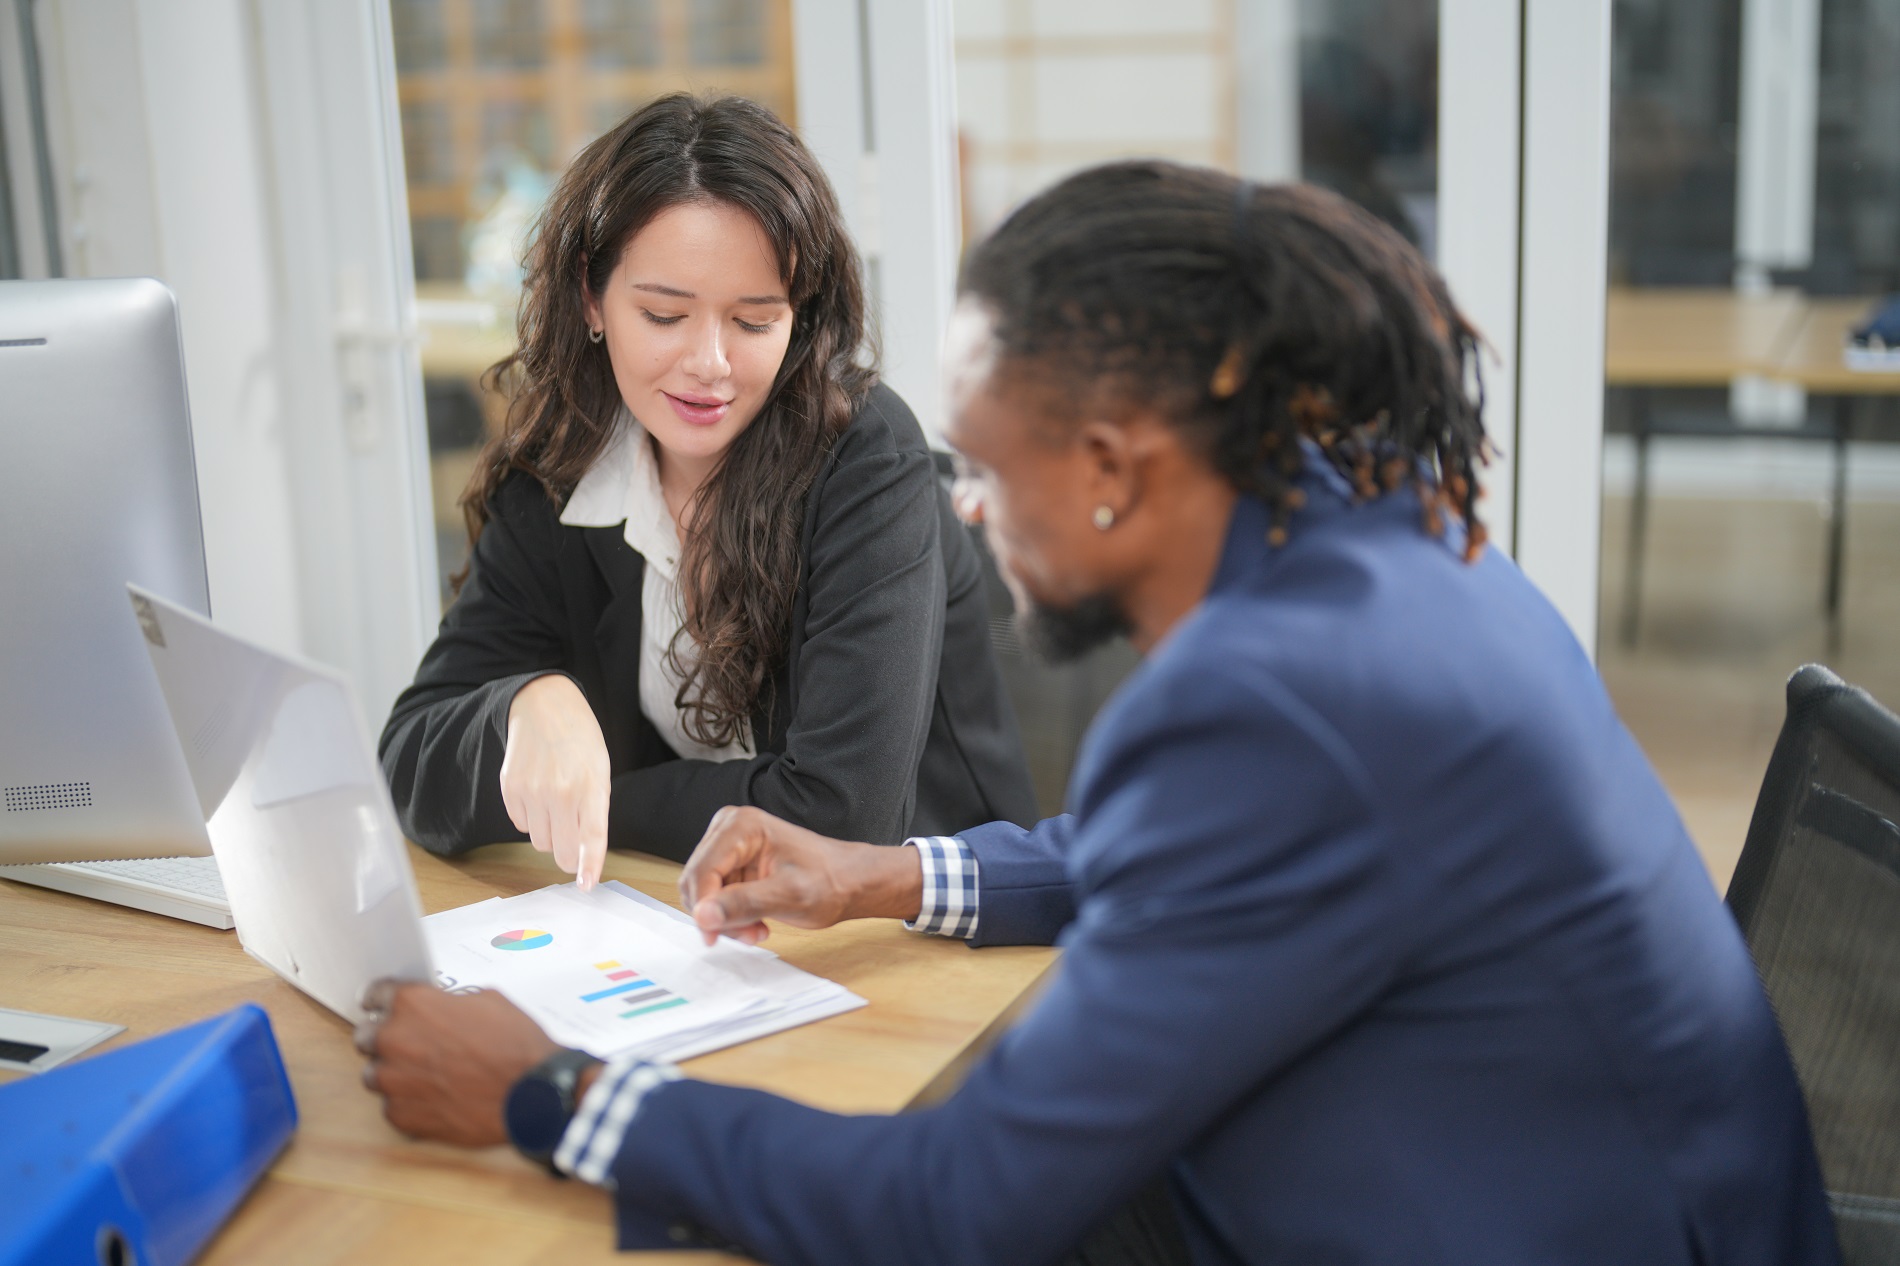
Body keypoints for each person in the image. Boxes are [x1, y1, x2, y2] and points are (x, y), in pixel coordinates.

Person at [358, 163, 1839, 1265]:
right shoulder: (1389, 530)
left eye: (993, 474)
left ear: (1119, 462)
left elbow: (956, 1203)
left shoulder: (1274, 697)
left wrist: (548, 1092)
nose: (974, 518)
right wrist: (895, 873)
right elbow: (1236, 842)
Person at [379, 94, 1036, 884]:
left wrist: (599, 796)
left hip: (924, 938)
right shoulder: (562, 473)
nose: (710, 364)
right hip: (688, 912)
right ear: (592, 298)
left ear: (800, 321)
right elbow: (409, 764)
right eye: (664, 315)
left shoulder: (866, 458)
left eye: (755, 322)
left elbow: (843, 816)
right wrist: (521, 708)